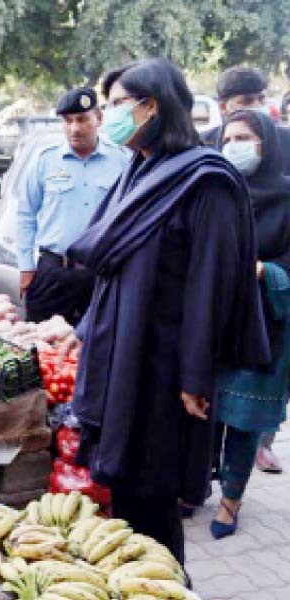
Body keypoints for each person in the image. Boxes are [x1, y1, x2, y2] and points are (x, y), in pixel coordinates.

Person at [67, 58, 270, 564]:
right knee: (129, 500)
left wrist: (196, 377)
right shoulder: (142, 168)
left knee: (153, 502)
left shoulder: (207, 181)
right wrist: (88, 329)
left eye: (117, 105)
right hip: (124, 354)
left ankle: (165, 586)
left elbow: (213, 286)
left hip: (164, 370)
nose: (110, 116)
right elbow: (113, 259)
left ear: (151, 106)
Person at [209, 110, 290, 539]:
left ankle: (231, 501)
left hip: (264, 327)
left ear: (267, 144)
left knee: (242, 417)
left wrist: (264, 272)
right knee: (204, 413)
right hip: (214, 323)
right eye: (227, 138)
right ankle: (196, 485)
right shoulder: (216, 190)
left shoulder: (286, 197)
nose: (233, 146)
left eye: (244, 137)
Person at [17, 87, 128, 324]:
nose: (74, 128)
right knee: (41, 348)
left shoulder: (122, 160)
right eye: (67, 121)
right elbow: (25, 214)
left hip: (101, 274)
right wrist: (26, 267)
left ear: (98, 118)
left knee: (97, 351)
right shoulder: (45, 160)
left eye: (82, 119)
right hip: (54, 271)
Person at [201, 66, 290, 175]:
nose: (257, 106)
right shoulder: (203, 145)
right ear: (223, 107)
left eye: (261, 99)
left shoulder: (286, 139)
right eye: (247, 101)